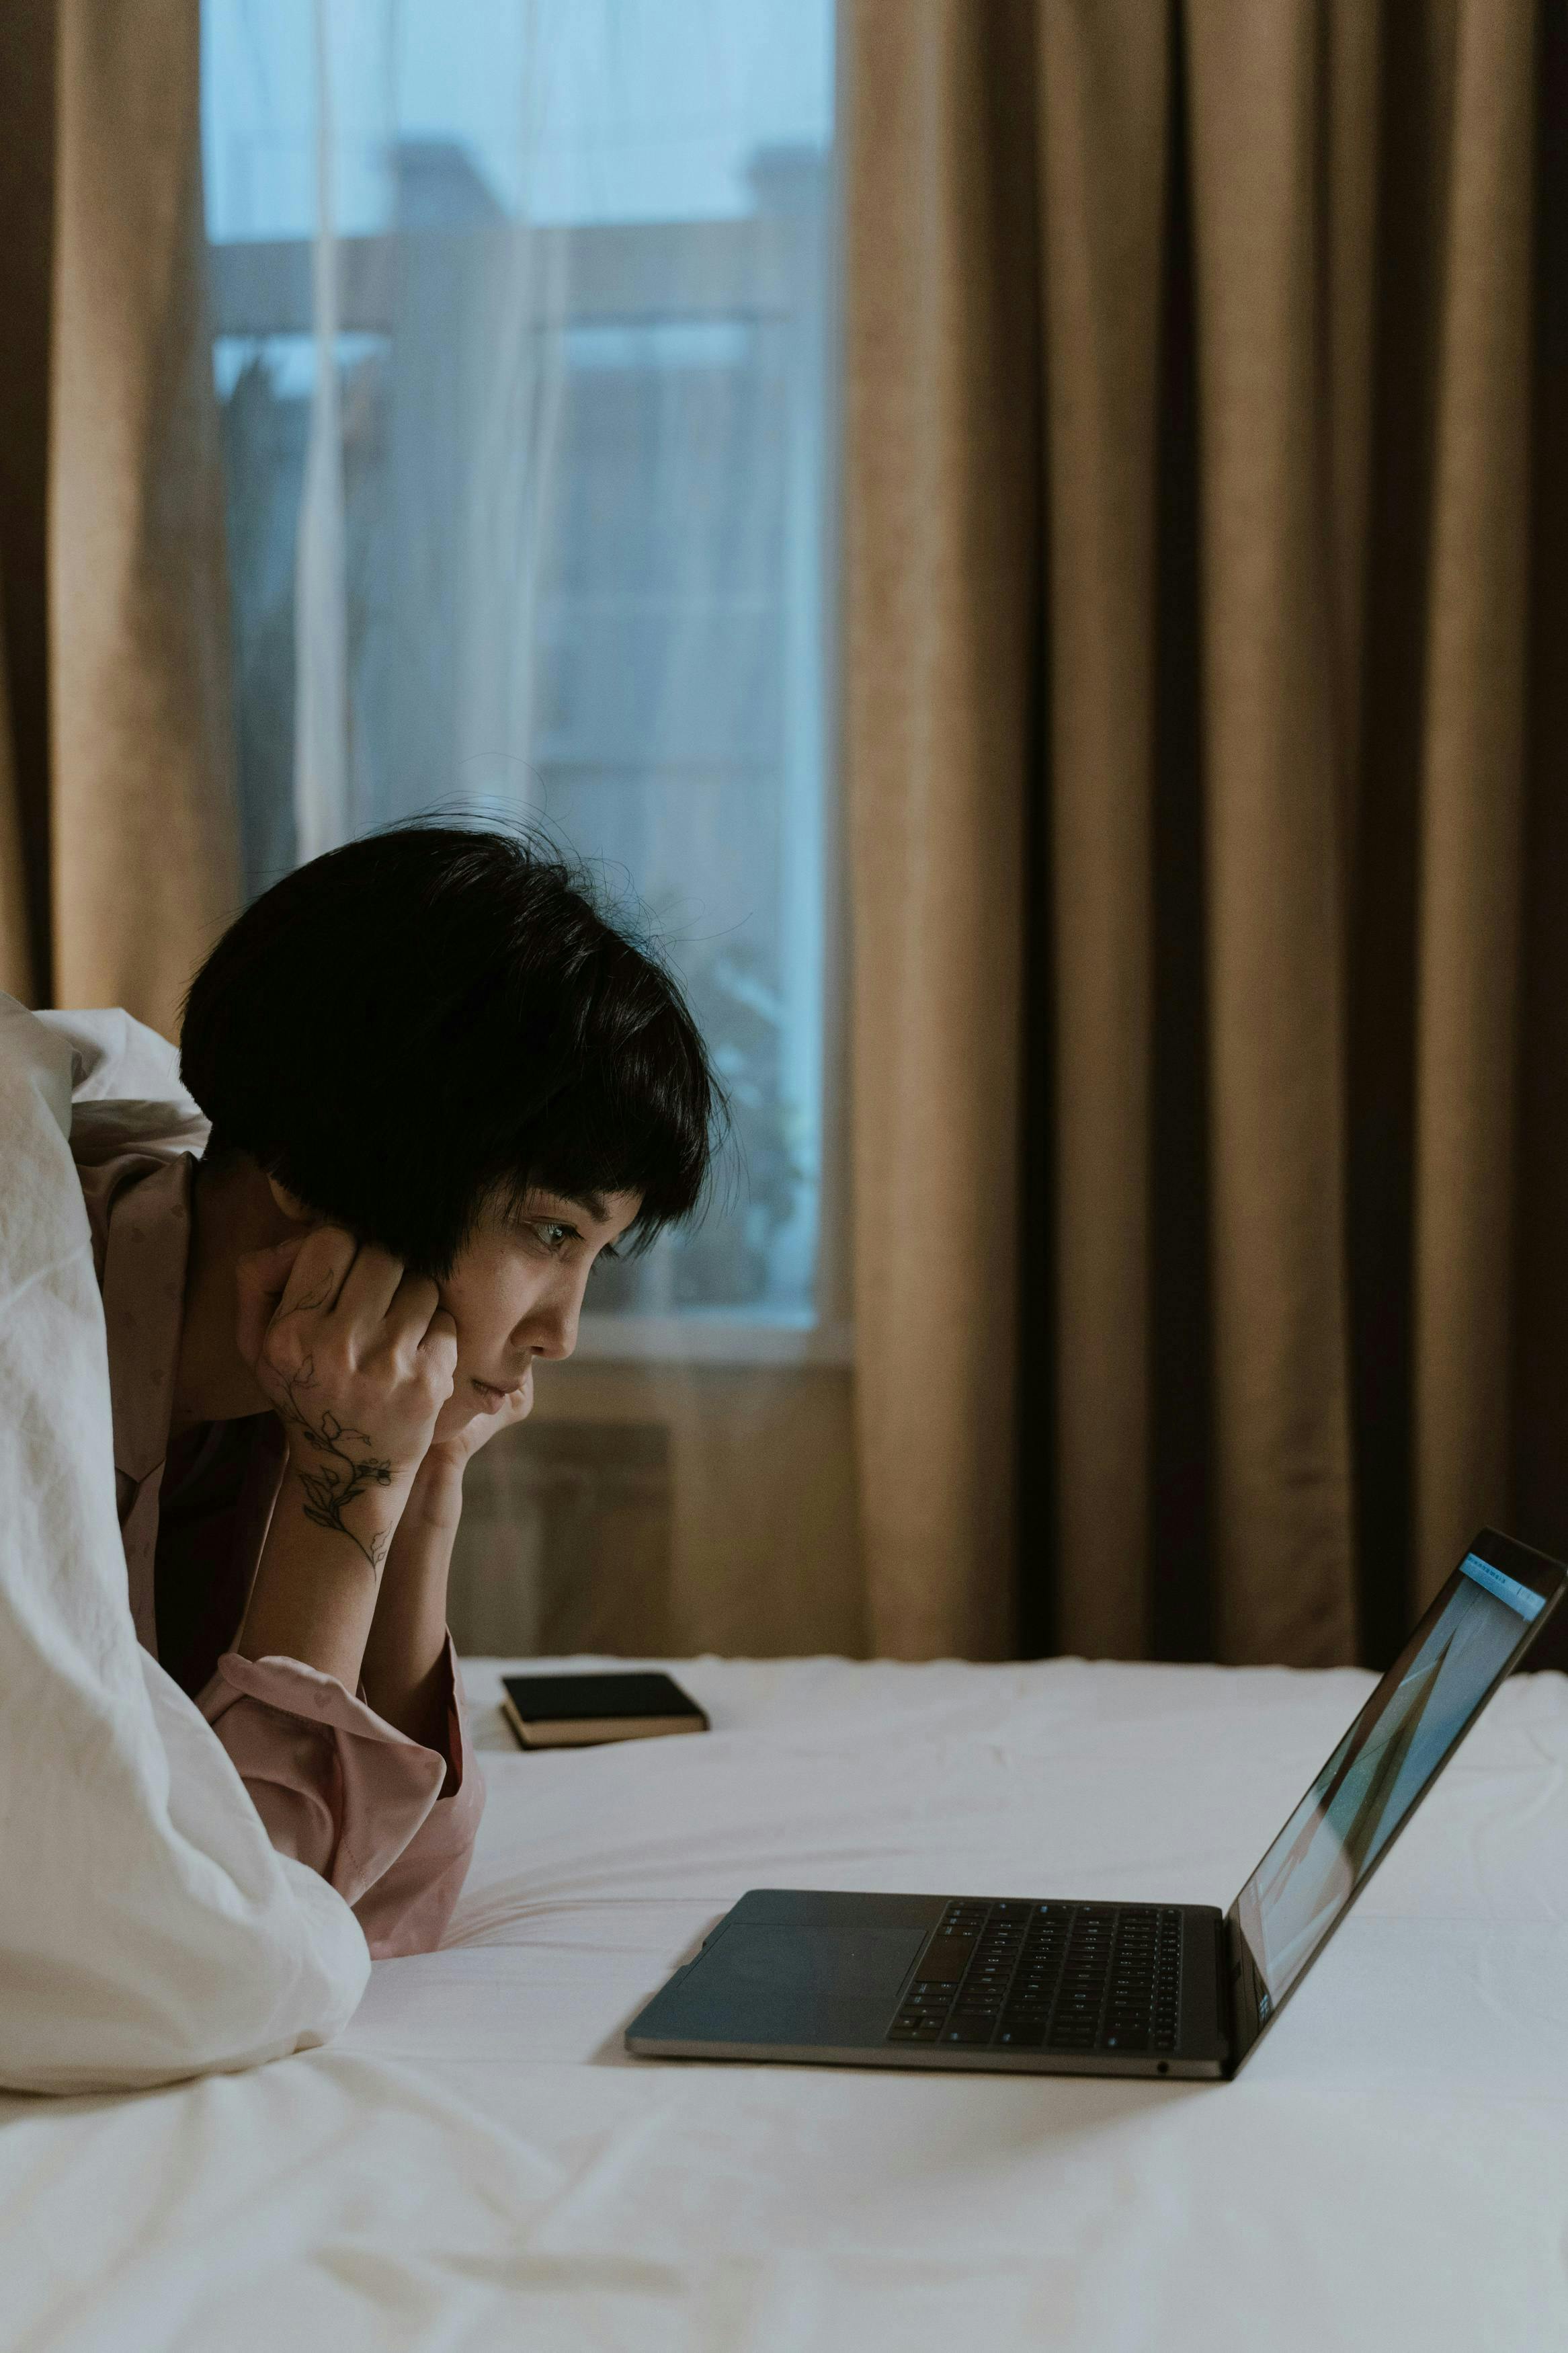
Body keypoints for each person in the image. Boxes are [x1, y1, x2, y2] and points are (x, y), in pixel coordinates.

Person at [77, 824, 715, 1958]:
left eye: (592, 1257)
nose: (561, 1333)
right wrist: (347, 1493)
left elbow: (394, 1901)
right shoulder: (45, 1344)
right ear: (320, 1165)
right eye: (547, 1230)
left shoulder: (297, 1392)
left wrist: (418, 1486)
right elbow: (235, 1943)